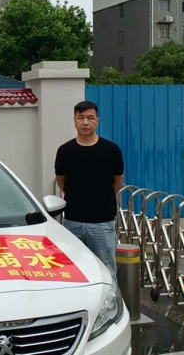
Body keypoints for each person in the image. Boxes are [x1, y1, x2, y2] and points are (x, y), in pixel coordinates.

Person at [55, 101, 124, 277]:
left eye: (90, 118)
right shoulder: (64, 151)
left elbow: (117, 182)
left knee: (106, 270)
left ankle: (110, 296)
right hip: (72, 222)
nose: (85, 122)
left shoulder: (111, 150)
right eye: (81, 118)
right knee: (73, 270)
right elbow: (61, 181)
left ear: (97, 121)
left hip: (102, 223)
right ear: (74, 120)